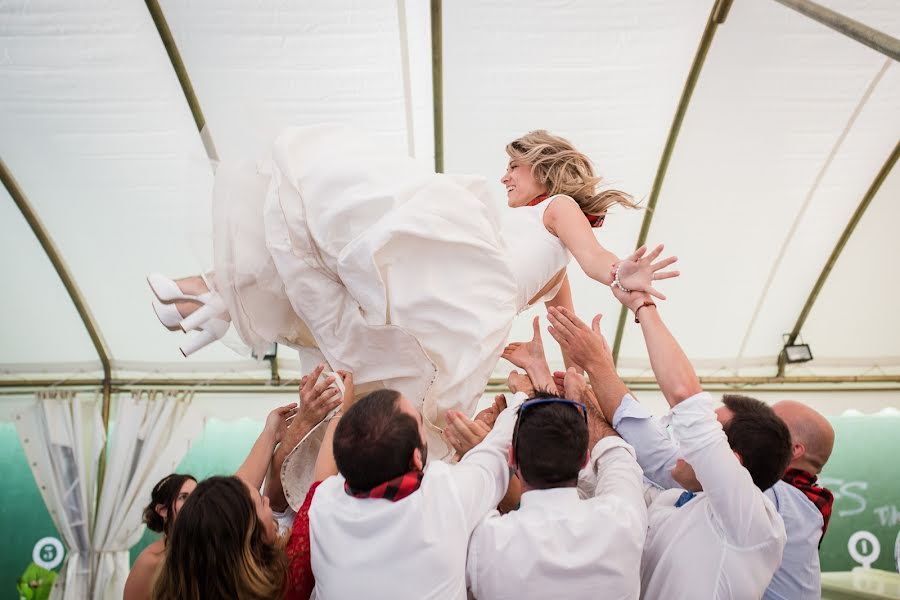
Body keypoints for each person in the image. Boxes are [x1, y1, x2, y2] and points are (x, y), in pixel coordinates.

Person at [146, 125, 678, 466]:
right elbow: (571, 332)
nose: (504, 175)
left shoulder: (557, 208)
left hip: (455, 295)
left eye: (514, 166)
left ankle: (215, 297)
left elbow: (593, 261)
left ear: (545, 170)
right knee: (336, 267)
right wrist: (571, 376)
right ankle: (217, 297)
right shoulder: (534, 245)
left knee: (345, 240)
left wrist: (619, 276)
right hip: (452, 317)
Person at [547, 296, 792, 599]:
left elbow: (685, 397)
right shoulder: (676, 500)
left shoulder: (750, 521)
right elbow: (618, 461)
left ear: (730, 461)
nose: (683, 441)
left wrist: (640, 303)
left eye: (701, 440)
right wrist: (583, 398)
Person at [281, 371, 532, 600]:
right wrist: (521, 395)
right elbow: (496, 452)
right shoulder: (445, 493)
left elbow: (322, 479)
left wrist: (341, 412)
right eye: (421, 424)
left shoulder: (324, 504)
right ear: (415, 457)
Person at [461, 338, 647, 599]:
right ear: (584, 459)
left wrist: (521, 400)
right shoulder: (621, 520)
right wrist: (579, 399)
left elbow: (479, 475)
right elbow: (617, 454)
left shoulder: (486, 541)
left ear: (512, 459)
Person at [123, 473, 196, 600]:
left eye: (197, 495)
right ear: (162, 510)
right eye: (184, 497)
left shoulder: (208, 550)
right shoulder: (149, 562)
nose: (194, 502)